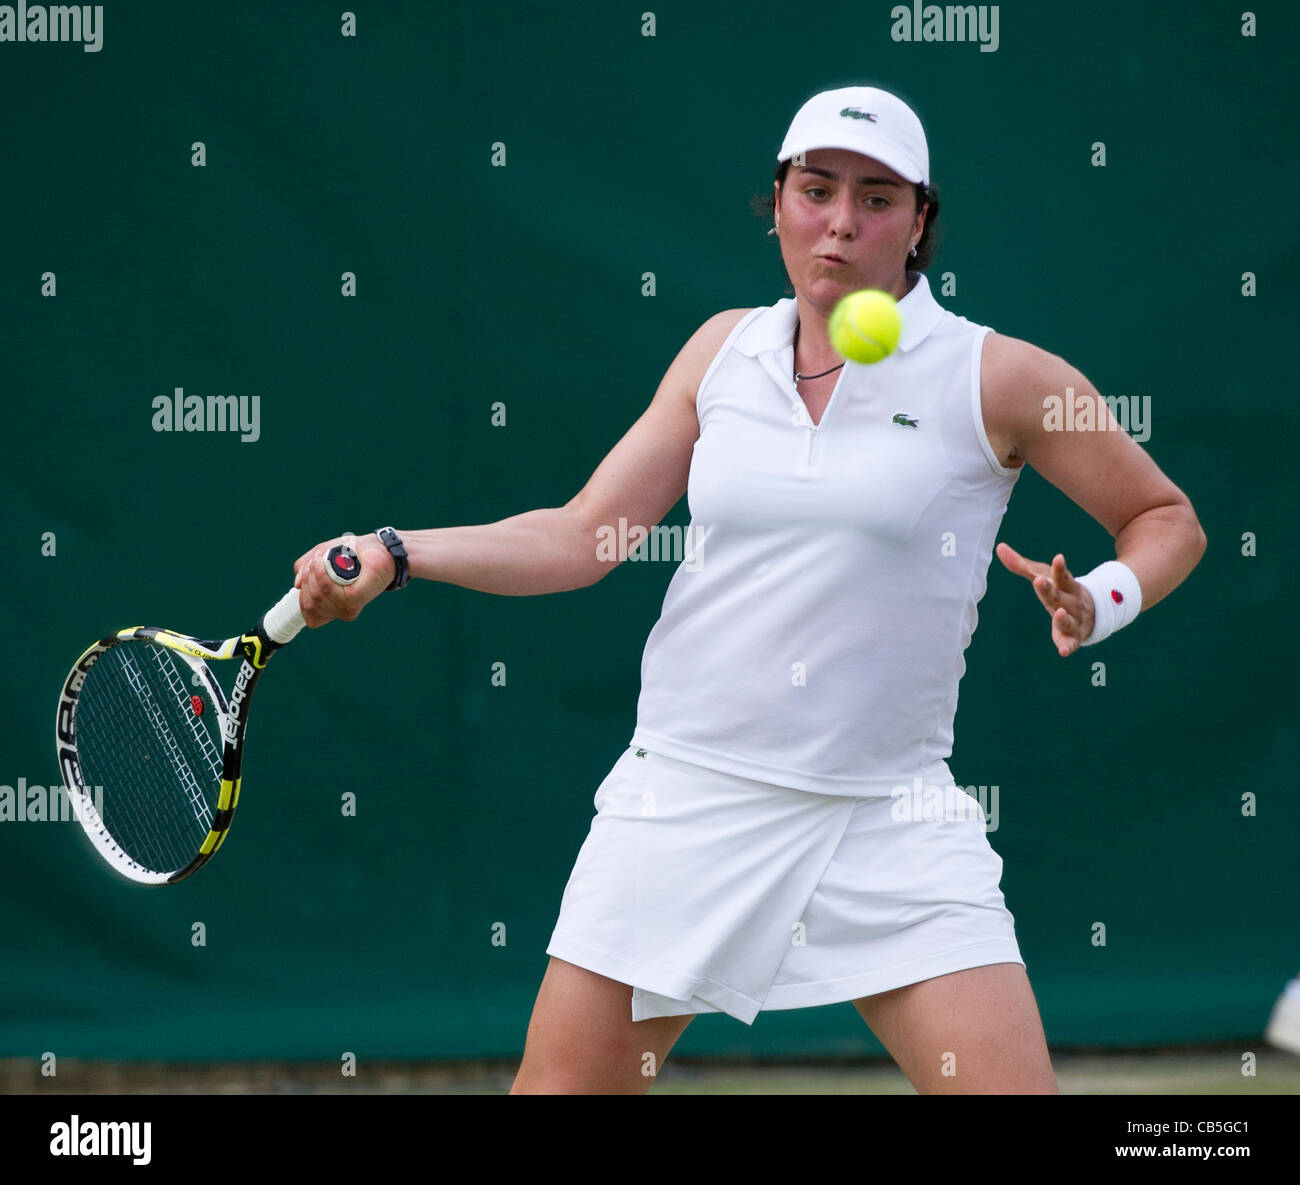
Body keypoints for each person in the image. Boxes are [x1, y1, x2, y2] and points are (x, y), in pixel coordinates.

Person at [292, 85, 1206, 1094]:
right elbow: (579, 538)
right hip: (685, 799)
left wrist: (1104, 597)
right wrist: (397, 548)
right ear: (775, 202)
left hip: (889, 817)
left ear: (920, 224)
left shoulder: (999, 377)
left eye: (876, 198)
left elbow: (1167, 519)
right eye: (815, 191)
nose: (841, 223)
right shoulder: (720, 351)